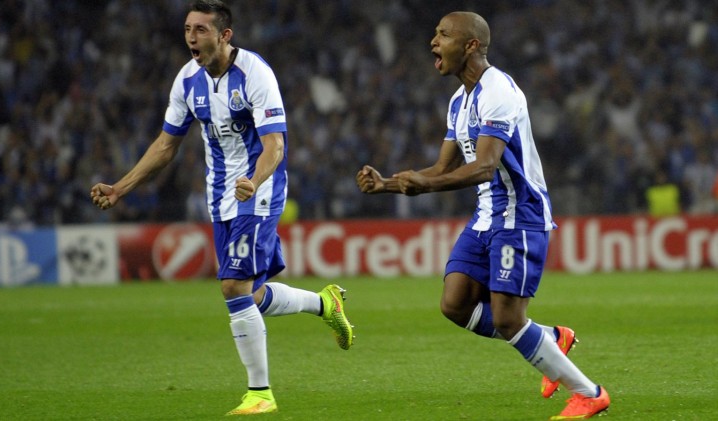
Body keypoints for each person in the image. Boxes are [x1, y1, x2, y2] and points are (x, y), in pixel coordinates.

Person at [90, 0, 354, 416]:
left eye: (200, 29)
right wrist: (121, 188)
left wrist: (255, 179)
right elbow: (166, 145)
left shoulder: (255, 74)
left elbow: (275, 145)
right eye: (187, 29)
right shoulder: (187, 79)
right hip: (220, 198)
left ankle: (260, 393)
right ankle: (325, 304)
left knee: (232, 287)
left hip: (259, 191)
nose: (191, 37)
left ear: (224, 35)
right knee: (253, 294)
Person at [356, 11, 609, 420]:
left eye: (443, 35)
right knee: (454, 304)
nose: (433, 42)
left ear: (471, 45)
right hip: (486, 216)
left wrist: (426, 186)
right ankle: (550, 338)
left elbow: (484, 167)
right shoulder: (459, 101)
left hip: (519, 215)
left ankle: (588, 392)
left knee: (509, 319)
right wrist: (386, 184)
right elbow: (440, 169)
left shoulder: (499, 92)